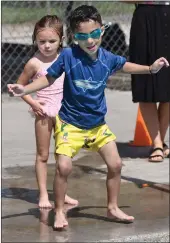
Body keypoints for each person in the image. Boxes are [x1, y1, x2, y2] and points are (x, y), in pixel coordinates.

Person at [8, 5, 169, 229]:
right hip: (70, 124)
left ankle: (112, 208)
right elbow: (49, 78)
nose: (90, 40)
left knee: (116, 165)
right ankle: (59, 210)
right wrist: (25, 90)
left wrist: (150, 68)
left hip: (97, 125)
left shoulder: (107, 58)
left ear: (101, 30)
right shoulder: (68, 55)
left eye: (94, 34)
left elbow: (125, 65)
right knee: (64, 167)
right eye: (83, 36)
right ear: (74, 37)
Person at [14, 15, 78, 208]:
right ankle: (43, 194)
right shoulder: (34, 63)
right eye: (42, 42)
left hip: (65, 113)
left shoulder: (66, 57)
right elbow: (20, 87)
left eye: (52, 41)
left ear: (61, 40)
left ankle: (61, 193)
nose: (47, 46)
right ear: (35, 40)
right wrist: (33, 104)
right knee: (42, 155)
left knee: (63, 156)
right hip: (43, 113)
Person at [128, 1, 170, 162]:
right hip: (145, 18)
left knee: (168, 87)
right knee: (145, 83)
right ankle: (158, 144)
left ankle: (159, 142)